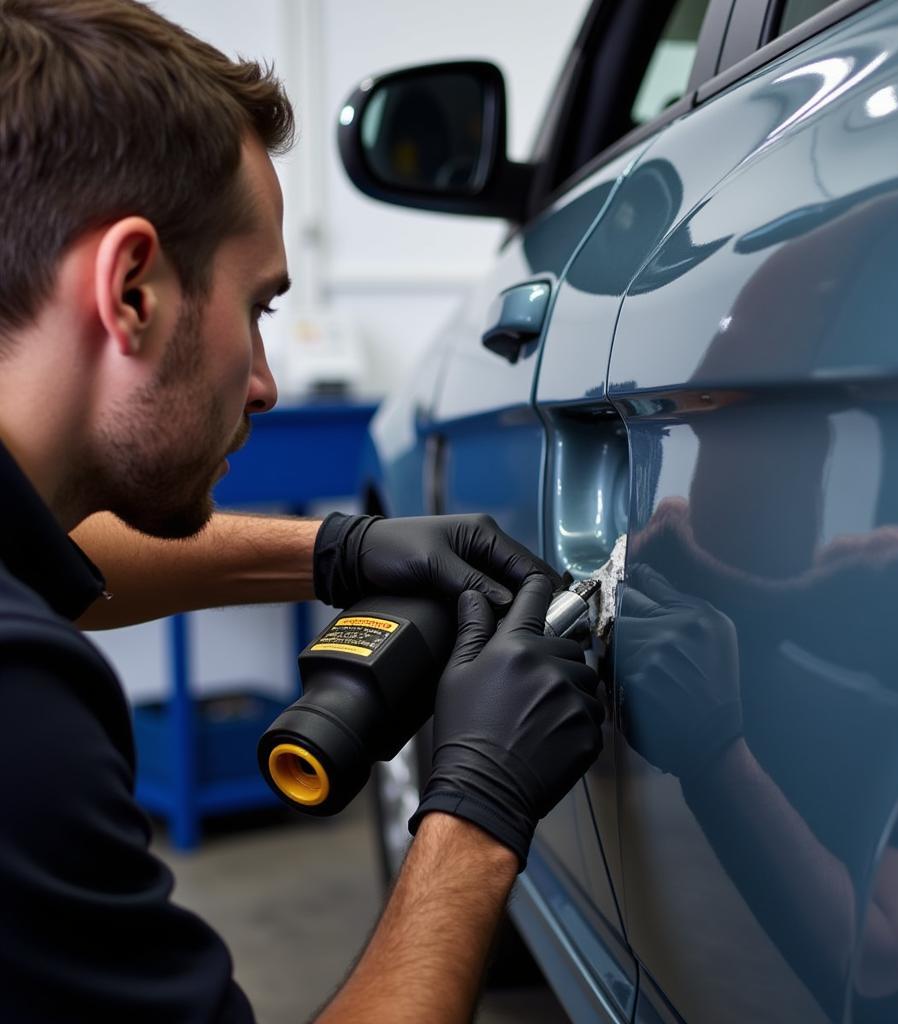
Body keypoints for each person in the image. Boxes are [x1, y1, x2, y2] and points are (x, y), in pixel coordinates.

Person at [0, 2, 604, 1021]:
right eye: (257, 307)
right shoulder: (20, 709)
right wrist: (476, 810)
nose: (266, 381)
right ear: (132, 289)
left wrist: (340, 551)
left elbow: (59, 561)